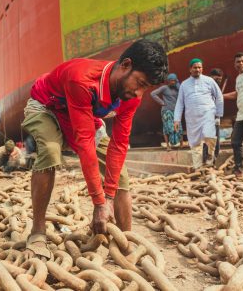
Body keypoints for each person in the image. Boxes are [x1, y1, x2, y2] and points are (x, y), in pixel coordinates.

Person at [21, 39, 168, 259]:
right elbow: (84, 143)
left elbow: (118, 145)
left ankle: (124, 240)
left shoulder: (130, 95)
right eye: (139, 83)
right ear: (125, 65)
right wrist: (99, 203)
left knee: (121, 177)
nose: (139, 93)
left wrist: (108, 197)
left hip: (83, 113)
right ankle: (37, 232)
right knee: (50, 152)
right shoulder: (82, 79)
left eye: (145, 88)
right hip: (47, 106)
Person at [174, 58, 223, 169]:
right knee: (195, 143)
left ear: (202, 68)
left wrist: (218, 114)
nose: (197, 69)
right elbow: (180, 103)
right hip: (192, 118)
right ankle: (198, 167)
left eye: (199, 67)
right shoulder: (184, 85)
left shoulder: (209, 81)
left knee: (209, 136)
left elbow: (219, 97)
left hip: (208, 114)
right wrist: (176, 119)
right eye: (195, 67)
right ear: (190, 69)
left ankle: (210, 157)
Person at [150, 73, 184, 150]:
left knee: (179, 127)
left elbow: (183, 93)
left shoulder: (177, 88)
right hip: (166, 111)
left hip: (176, 111)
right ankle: (168, 146)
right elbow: (153, 94)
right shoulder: (164, 88)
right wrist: (162, 102)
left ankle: (181, 144)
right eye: (171, 81)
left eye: (174, 81)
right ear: (168, 81)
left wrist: (178, 84)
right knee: (167, 128)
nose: (172, 82)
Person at [208, 68, 227, 159]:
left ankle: (214, 160)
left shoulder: (217, 88)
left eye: (220, 80)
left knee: (216, 141)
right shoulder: (205, 88)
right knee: (207, 142)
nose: (218, 81)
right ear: (210, 78)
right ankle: (207, 161)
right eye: (216, 79)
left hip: (216, 119)